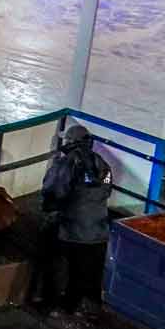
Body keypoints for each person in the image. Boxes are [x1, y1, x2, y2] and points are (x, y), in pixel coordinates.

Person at [37, 122, 114, 315]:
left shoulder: (65, 163)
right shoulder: (103, 165)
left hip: (70, 228)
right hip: (97, 230)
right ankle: (73, 305)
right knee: (83, 269)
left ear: (71, 142)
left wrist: (51, 209)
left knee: (55, 263)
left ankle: (50, 304)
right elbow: (106, 190)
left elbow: (52, 190)